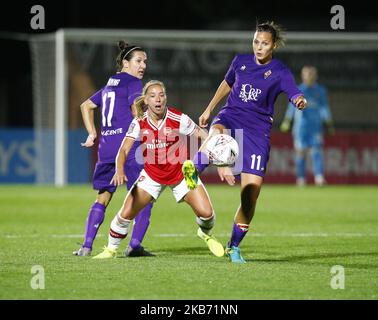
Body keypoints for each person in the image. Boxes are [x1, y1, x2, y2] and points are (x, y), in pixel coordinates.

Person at [188, 21, 307, 263]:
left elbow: (294, 92)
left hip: (257, 131)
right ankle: (193, 170)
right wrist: (209, 108)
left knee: (250, 196)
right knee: (216, 132)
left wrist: (299, 100)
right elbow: (226, 84)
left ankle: (233, 247)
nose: (258, 47)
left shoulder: (280, 71)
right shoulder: (240, 61)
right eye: (256, 41)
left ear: (273, 45)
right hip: (231, 115)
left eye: (264, 43)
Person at [92, 80, 224, 259]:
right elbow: (124, 149)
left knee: (207, 214)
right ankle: (110, 249)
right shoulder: (139, 122)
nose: (158, 99)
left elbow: (203, 135)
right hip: (152, 176)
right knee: (125, 214)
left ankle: (205, 233)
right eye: (153, 96)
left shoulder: (178, 118)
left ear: (166, 98)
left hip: (183, 173)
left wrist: (216, 149)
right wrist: (119, 169)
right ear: (146, 100)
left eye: (161, 95)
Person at [73, 41, 153, 257]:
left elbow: (86, 106)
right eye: (138, 61)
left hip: (106, 149)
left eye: (145, 61)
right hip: (128, 148)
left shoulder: (109, 85)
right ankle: (134, 246)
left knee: (103, 196)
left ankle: (86, 246)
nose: (143, 65)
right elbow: (137, 111)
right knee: (144, 197)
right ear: (125, 63)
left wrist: (92, 133)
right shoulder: (134, 83)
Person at [280, 65, 334, 186]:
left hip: (315, 126)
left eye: (311, 74)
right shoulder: (298, 90)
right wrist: (287, 121)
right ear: (303, 76)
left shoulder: (320, 91)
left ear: (315, 76)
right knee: (300, 152)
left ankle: (319, 177)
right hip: (301, 128)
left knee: (316, 151)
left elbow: (324, 107)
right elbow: (291, 108)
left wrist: (328, 122)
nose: (309, 76)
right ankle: (301, 178)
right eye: (307, 74)